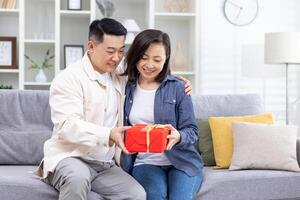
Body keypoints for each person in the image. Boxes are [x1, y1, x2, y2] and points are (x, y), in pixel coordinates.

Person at [37, 18, 146, 200]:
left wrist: (177, 83)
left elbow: (151, 74)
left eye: (121, 51)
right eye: (110, 51)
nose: (116, 57)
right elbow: (67, 126)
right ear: (91, 46)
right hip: (69, 157)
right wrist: (108, 134)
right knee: (77, 179)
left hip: (104, 164)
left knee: (136, 194)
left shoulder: (119, 73)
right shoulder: (68, 78)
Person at [121, 29, 203, 200]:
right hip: (145, 163)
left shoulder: (178, 87)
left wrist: (179, 136)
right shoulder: (124, 87)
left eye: (157, 59)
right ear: (135, 55)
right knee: (155, 195)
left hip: (182, 162)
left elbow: (192, 131)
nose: (149, 65)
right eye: (144, 57)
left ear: (166, 60)